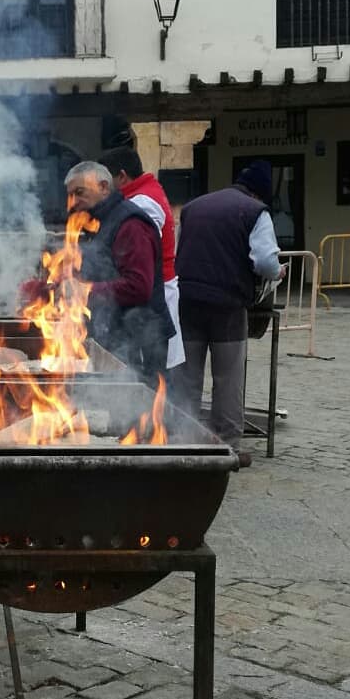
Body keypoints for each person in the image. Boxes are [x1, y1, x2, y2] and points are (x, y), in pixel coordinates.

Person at [172, 159, 287, 463]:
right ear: (259, 194)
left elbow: (179, 248)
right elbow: (264, 262)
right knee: (228, 378)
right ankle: (227, 446)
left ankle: (184, 441)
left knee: (188, 376)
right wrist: (278, 272)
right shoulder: (255, 212)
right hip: (227, 306)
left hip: (188, 301)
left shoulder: (194, 207)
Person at [63, 161, 175, 384]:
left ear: (104, 187)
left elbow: (138, 287)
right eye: (70, 195)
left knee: (142, 410)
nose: (73, 202)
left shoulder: (130, 224)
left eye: (79, 192)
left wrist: (84, 290)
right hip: (116, 335)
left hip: (141, 339)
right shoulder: (99, 222)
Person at [98, 146, 185, 370]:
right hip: (150, 292)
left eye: (105, 181)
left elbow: (141, 257)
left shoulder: (142, 203)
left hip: (154, 295)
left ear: (122, 176)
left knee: (153, 372)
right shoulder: (144, 192)